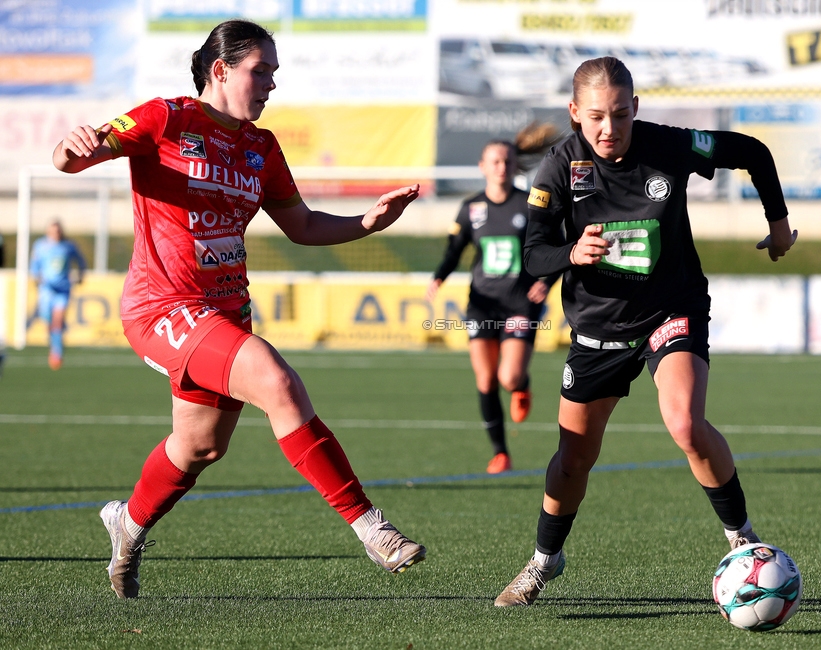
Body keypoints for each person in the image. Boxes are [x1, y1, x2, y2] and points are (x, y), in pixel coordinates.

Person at [52, 19, 426, 600]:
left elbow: (299, 225)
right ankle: (370, 527)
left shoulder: (262, 146)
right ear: (221, 70)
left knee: (200, 447)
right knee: (277, 381)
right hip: (163, 306)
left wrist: (365, 224)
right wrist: (68, 149)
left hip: (226, 312)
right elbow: (77, 156)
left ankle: (128, 523)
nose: (272, 83)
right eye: (262, 71)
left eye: (275, 72)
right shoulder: (167, 117)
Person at [493, 56, 798, 607]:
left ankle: (743, 541)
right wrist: (571, 253)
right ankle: (545, 560)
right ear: (574, 115)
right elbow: (533, 256)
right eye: (595, 118)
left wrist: (778, 227)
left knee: (685, 422)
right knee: (573, 459)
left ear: (636, 108)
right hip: (599, 325)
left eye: (620, 115)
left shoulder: (669, 145)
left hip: (670, 308)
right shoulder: (559, 167)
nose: (610, 129)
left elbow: (751, 152)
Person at [427, 127, 560, 474]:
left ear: (515, 166)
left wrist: (547, 281)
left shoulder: (529, 204)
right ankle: (501, 453)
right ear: (482, 166)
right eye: (495, 161)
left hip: (520, 303)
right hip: (482, 303)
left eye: (507, 161)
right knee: (485, 380)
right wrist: (439, 277)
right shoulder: (471, 208)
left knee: (509, 377)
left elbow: (555, 247)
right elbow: (454, 251)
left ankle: (523, 385)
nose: (501, 166)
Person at [29, 220, 86, 370]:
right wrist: (36, 277)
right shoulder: (40, 246)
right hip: (46, 289)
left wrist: (80, 274)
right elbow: (34, 266)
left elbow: (81, 261)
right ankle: (54, 341)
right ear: (48, 232)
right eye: (53, 231)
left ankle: (57, 353)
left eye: (58, 231)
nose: (56, 234)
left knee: (57, 320)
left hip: (63, 289)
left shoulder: (68, 246)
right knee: (47, 319)